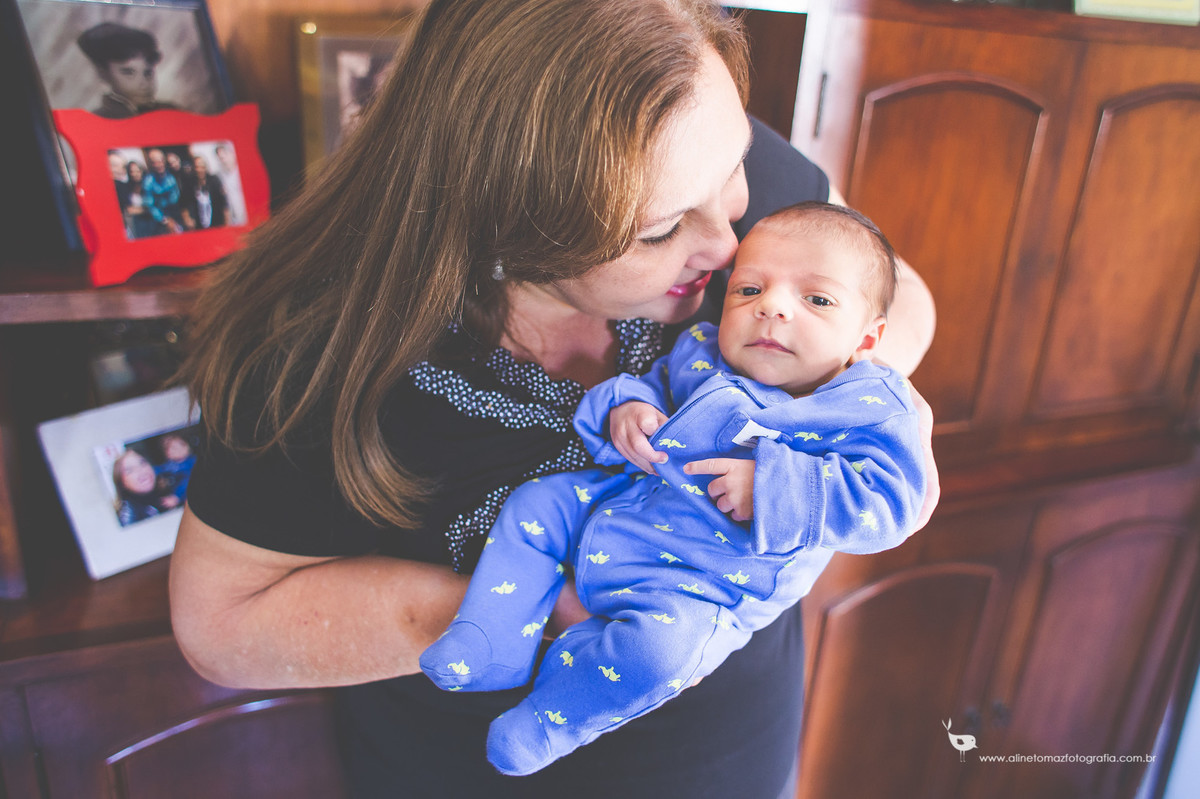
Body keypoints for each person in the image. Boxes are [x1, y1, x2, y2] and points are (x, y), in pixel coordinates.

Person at [168, 2, 939, 797]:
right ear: (507, 222)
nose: (728, 243)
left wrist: (845, 408)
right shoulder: (313, 347)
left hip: (741, 755)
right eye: (661, 229)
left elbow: (895, 293)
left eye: (735, 166)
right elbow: (223, 627)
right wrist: (524, 602)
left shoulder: (702, 159)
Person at [420, 201, 927, 775]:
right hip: (620, 507)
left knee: (657, 656)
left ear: (867, 340)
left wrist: (774, 489)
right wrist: (628, 410)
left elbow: (895, 503)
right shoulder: (702, 352)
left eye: (817, 300)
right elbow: (646, 387)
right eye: (749, 290)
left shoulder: (867, 410)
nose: (772, 308)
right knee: (536, 504)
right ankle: (491, 638)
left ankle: (547, 721)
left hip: (702, 586)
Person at [76, 22, 179, 119]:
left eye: (148, 73)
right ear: (103, 73)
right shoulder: (98, 120)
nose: (143, 84)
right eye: (129, 72)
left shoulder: (170, 112)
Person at [112, 449, 178, 526]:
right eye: (130, 470)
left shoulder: (171, 490)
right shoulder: (130, 518)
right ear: (122, 483)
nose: (141, 470)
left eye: (142, 463)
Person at [141, 149, 183, 234]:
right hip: (159, 221)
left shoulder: (171, 176)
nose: (158, 165)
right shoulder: (148, 182)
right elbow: (150, 206)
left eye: (160, 161)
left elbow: (176, 198)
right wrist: (165, 220)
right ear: (151, 164)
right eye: (154, 162)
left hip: (176, 216)